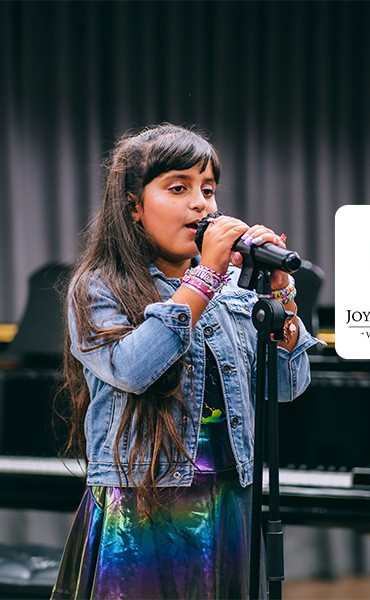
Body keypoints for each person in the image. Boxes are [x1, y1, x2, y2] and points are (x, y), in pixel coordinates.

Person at [52, 124, 320, 599]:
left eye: (209, 189)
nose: (203, 205)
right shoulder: (99, 286)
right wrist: (204, 279)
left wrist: (281, 297)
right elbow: (134, 371)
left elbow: (286, 387)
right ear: (134, 206)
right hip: (143, 498)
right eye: (179, 188)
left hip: (229, 493)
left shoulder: (236, 287)